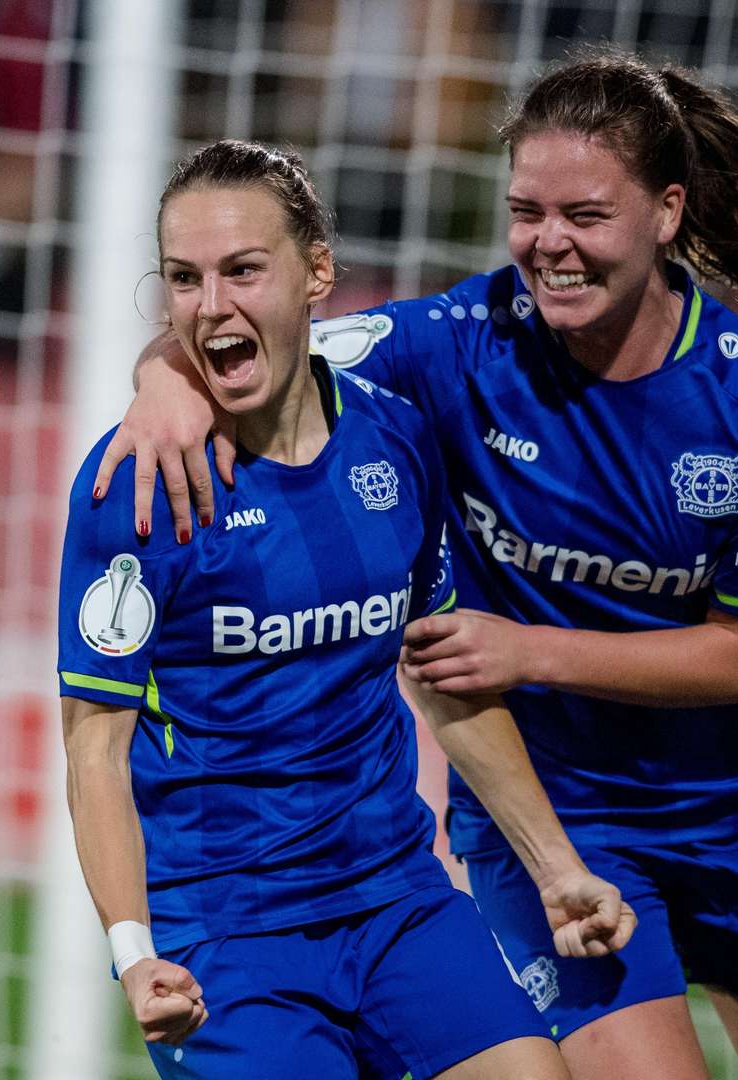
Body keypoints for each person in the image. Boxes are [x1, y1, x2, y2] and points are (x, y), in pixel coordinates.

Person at [96, 51, 738, 1080]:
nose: (548, 244)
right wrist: (163, 377)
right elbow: (264, 332)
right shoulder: (459, 341)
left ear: (666, 211)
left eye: (585, 216)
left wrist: (524, 649)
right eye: (527, 211)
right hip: (555, 812)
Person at [58, 139, 631, 1079]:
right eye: (184, 279)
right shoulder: (138, 487)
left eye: (243, 269)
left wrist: (557, 867)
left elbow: (443, 675)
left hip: (395, 898)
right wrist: (134, 955)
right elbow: (95, 746)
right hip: (226, 930)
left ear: (316, 270)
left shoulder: (394, 436)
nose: (212, 307)